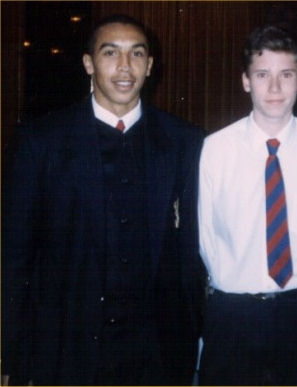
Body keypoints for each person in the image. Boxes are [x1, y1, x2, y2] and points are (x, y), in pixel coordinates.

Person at [1, 14, 204, 386]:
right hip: (65, 351)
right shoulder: (40, 142)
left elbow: (192, 257)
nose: (125, 67)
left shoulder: (185, 143)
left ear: (150, 66)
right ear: (88, 63)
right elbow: (13, 259)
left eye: (137, 54)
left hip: (155, 356)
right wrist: (10, 355)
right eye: (111, 53)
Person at [197, 24, 297, 385]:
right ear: (246, 81)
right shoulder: (215, 150)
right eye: (263, 75)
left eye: (285, 74)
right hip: (234, 316)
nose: (274, 88)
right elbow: (206, 237)